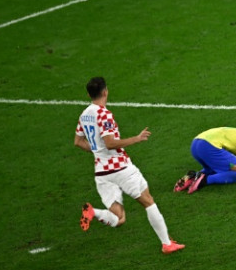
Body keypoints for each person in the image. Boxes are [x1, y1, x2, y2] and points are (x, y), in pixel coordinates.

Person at [74, 77, 185, 254]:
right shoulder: (104, 114)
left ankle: (94, 212)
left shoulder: (84, 115)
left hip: (101, 173)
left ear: (89, 94)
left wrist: (97, 151)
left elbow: (78, 142)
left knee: (119, 219)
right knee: (148, 201)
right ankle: (166, 243)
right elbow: (110, 143)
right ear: (105, 91)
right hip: (121, 169)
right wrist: (136, 138)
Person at [174, 127, 236, 194]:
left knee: (222, 168)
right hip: (209, 146)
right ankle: (204, 180)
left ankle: (193, 176)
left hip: (196, 143)